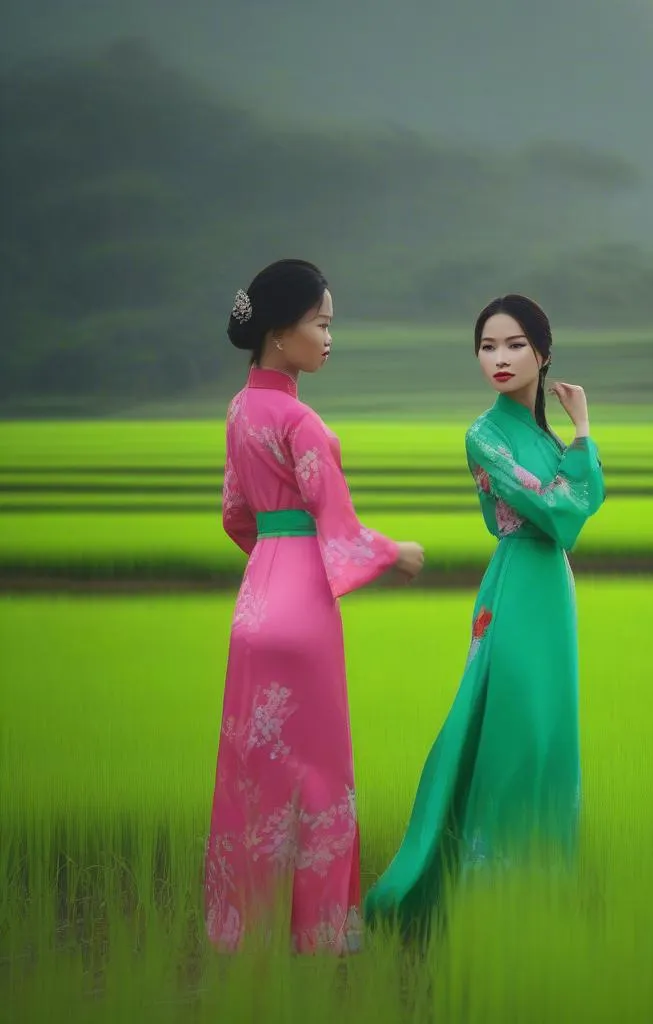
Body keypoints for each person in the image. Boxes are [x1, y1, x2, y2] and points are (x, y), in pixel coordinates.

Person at [363, 293, 605, 938]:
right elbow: (562, 510)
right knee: (514, 728)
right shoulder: (483, 436)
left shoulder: (546, 436)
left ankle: (544, 882)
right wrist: (580, 447)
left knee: (553, 733)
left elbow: (581, 502)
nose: (498, 358)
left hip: (552, 590)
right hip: (517, 584)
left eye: (514, 344)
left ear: (543, 353)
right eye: (487, 346)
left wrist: (581, 432)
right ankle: (484, 884)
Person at [203, 259, 425, 955]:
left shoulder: (240, 411)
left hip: (257, 602)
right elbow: (341, 526)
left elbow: (236, 516)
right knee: (319, 772)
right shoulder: (300, 421)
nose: (330, 337)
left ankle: (242, 928)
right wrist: (397, 552)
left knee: (252, 773)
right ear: (279, 331)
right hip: (304, 603)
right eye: (321, 324)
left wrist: (273, 557)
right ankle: (321, 933)